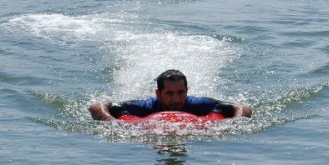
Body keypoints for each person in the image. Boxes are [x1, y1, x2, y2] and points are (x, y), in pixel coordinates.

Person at [88, 69, 252, 121]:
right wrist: (113, 124)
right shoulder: (146, 106)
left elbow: (243, 108)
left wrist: (235, 123)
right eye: (170, 93)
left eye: (181, 92)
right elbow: (96, 106)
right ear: (158, 94)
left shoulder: (198, 104)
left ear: (187, 91)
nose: (176, 99)